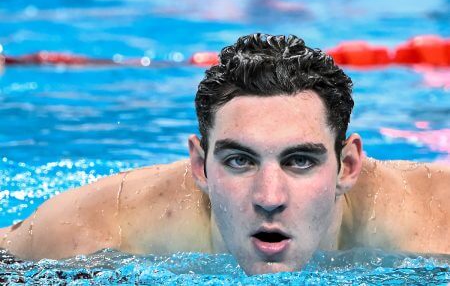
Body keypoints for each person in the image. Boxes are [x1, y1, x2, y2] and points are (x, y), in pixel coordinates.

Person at [0, 34, 448, 275]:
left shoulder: (436, 232)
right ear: (200, 165)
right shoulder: (92, 234)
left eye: (300, 161)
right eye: (239, 160)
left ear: (347, 166)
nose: (268, 197)